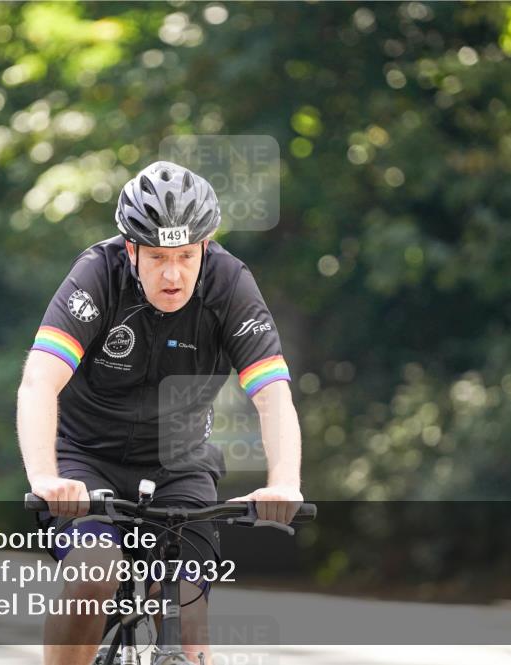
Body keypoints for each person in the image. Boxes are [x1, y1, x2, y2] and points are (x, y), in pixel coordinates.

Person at [16, 161, 303, 665]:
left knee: (190, 613)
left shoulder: (230, 284)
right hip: (86, 461)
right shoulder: (97, 274)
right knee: (94, 571)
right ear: (132, 250)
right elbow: (40, 380)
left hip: (180, 464)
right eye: (158, 258)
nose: (173, 274)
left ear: (205, 248)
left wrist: (284, 482)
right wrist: (45, 477)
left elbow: (272, 392)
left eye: (187, 256)